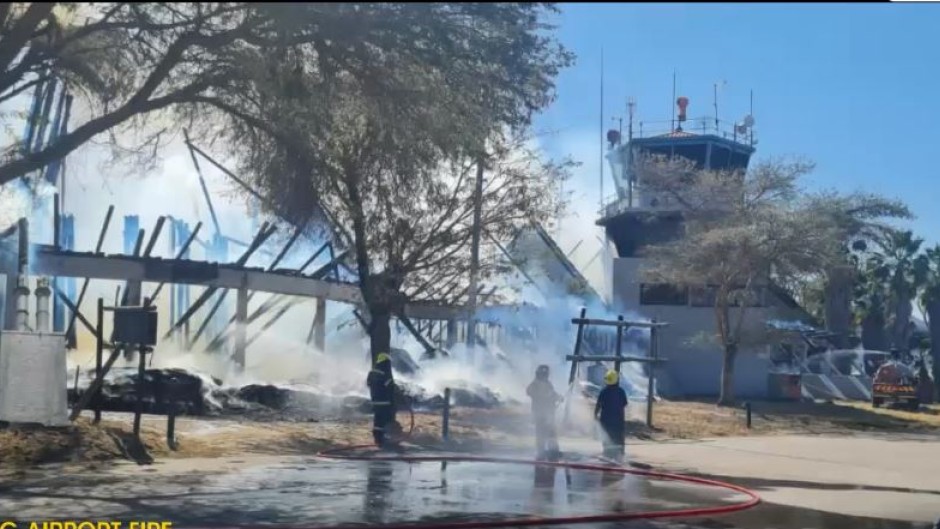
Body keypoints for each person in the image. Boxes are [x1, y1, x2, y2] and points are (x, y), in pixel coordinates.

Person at [526, 364, 562, 461]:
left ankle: (553, 452)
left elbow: (553, 394)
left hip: (549, 414)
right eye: (544, 373)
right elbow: (529, 392)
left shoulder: (548, 384)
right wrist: (544, 396)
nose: (546, 375)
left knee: (552, 434)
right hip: (540, 415)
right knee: (541, 435)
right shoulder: (535, 384)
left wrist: (558, 397)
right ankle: (541, 453)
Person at [594, 369, 628, 462]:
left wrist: (595, 415)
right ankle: (620, 456)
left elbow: (598, 405)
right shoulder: (621, 391)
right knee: (618, 438)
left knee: (607, 438)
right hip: (618, 421)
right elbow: (624, 404)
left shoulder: (603, 392)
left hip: (605, 421)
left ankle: (607, 455)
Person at [367, 353, 397, 448]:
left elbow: (369, 384)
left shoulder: (371, 373)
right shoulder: (385, 373)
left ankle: (377, 439)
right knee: (386, 420)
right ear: (385, 363)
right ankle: (385, 438)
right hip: (385, 402)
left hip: (375, 401)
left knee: (377, 420)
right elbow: (390, 388)